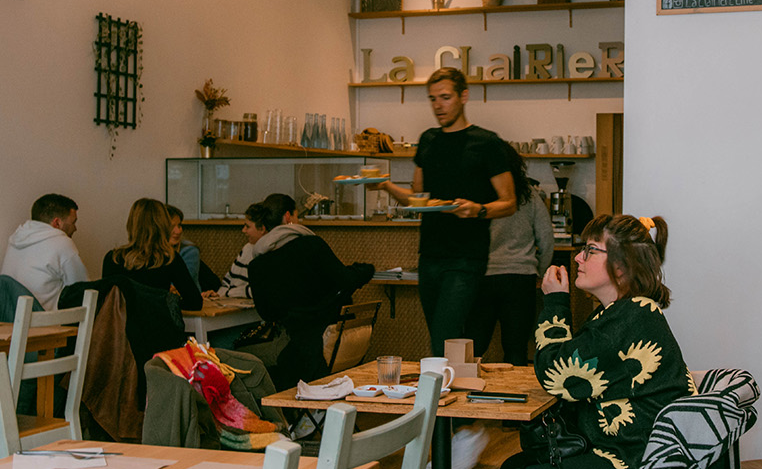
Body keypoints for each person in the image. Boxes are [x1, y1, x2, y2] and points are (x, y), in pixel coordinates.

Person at [501, 214, 692, 469]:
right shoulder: (622, 312)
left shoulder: (631, 316)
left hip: (630, 458)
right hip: (618, 447)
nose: (578, 257)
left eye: (590, 250)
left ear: (623, 265)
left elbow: (554, 374)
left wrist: (556, 302)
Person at [373, 67, 517, 356]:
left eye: (445, 97)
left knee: (442, 338)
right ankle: (459, 390)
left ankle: (437, 398)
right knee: (447, 339)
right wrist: (384, 184)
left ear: (463, 96)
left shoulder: (487, 143)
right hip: (430, 256)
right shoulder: (428, 140)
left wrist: (478, 210)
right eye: (432, 99)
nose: (438, 105)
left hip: (466, 258)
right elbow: (418, 198)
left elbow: (509, 202)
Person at [247, 193, 374, 387]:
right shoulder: (312, 244)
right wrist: (366, 269)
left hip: (293, 345)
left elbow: (267, 313)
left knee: (234, 352)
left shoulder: (257, 265)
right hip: (330, 342)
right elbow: (346, 280)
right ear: (288, 217)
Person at [467, 144, 554, 366]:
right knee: (516, 350)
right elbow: (546, 238)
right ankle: (516, 397)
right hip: (520, 277)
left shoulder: (476, 194)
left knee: (473, 347)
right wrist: (539, 273)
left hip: (482, 278)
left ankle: (464, 393)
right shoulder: (529, 194)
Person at [102, 197, 204, 310]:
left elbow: (106, 301)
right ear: (163, 226)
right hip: (158, 325)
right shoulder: (169, 259)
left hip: (122, 326)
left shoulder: (113, 258)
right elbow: (195, 302)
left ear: (131, 224)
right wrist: (170, 303)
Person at [0, 193, 87, 312]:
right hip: (43, 324)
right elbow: (83, 289)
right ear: (57, 223)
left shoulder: (16, 238)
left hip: (9, 320)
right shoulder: (62, 242)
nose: (75, 228)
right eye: (73, 222)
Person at [167, 203, 222, 293]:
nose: (178, 231)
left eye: (179, 225)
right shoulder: (153, 251)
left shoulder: (189, 250)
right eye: (172, 227)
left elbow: (182, 285)